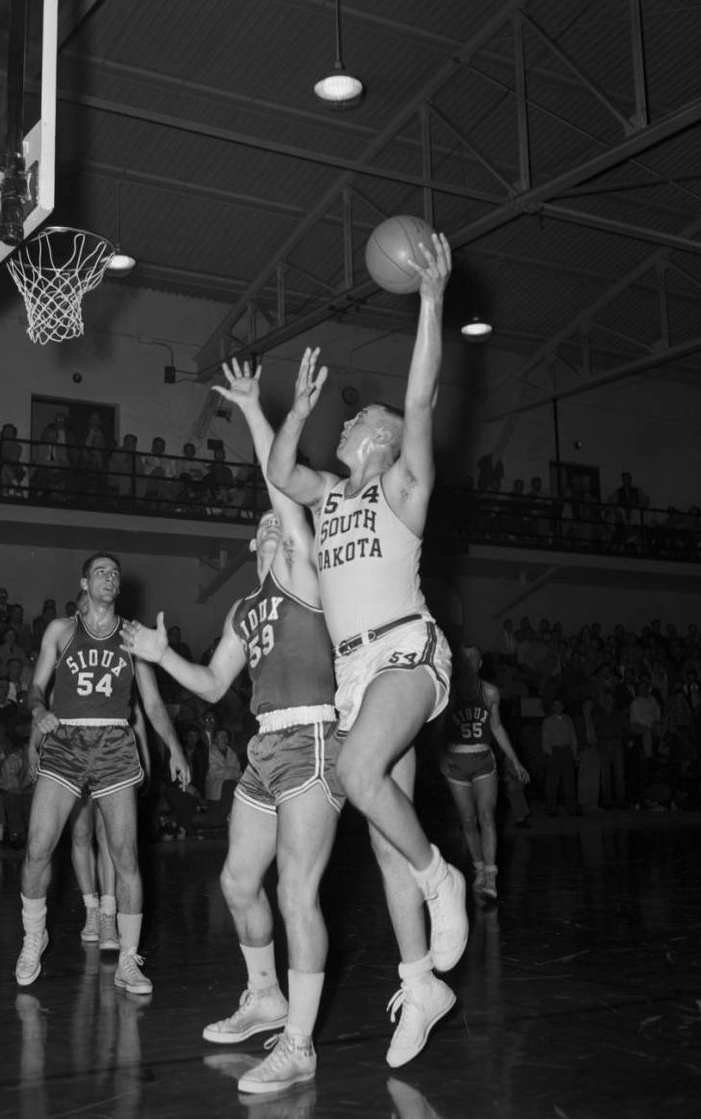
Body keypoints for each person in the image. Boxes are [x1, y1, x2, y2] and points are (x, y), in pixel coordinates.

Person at [266, 232, 468, 1070]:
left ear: (380, 442)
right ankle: (421, 981)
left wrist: (429, 302)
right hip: (356, 675)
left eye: (358, 417)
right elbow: (282, 472)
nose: (349, 420)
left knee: (356, 777)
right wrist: (299, 410)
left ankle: (444, 878)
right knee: (386, 835)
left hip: (408, 655)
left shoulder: (401, 487)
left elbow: (419, 403)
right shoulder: (332, 493)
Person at [124, 359, 344, 1095]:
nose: (275, 527)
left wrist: (254, 408)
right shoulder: (243, 610)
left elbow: (283, 487)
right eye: (265, 528)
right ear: (253, 547)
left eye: (280, 523)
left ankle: (300, 1045)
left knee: (296, 895)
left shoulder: (305, 575)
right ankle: (265, 997)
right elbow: (215, 683)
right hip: (262, 748)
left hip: (313, 737)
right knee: (237, 882)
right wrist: (162, 655)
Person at [15, 552, 190, 993]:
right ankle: (34, 937)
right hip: (67, 740)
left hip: (113, 743)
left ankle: (128, 961)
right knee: (37, 847)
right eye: (100, 572)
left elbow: (151, 705)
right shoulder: (61, 630)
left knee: (125, 855)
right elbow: (35, 688)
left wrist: (174, 749)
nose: (109, 578)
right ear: (84, 582)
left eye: (115, 574)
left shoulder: (134, 637)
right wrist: (38, 714)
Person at [440, 646, 529, 901]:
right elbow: (437, 730)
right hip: (456, 759)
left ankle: (490, 875)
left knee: (486, 815)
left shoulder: (489, 691)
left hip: (482, 758)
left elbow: (497, 727)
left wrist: (515, 761)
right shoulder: (448, 691)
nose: (468, 661)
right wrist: (439, 758)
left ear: (479, 664)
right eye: (463, 658)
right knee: (468, 820)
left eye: (472, 658)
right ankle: (479, 868)